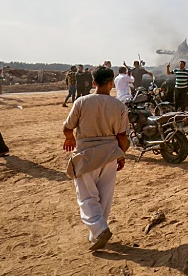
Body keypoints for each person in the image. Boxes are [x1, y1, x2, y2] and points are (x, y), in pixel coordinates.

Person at [62, 66, 128, 252]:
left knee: (86, 197)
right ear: (111, 83)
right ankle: (97, 234)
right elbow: (122, 135)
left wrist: (70, 138)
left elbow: (68, 128)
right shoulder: (119, 106)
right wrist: (121, 154)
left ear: (93, 83)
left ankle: (99, 231)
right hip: (110, 155)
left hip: (86, 155)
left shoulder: (82, 102)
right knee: (104, 198)